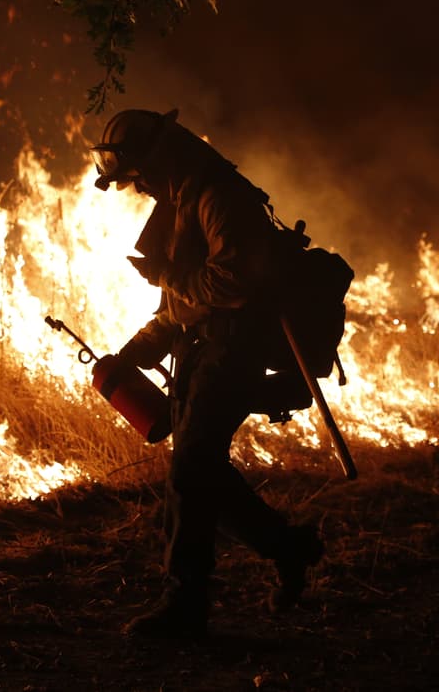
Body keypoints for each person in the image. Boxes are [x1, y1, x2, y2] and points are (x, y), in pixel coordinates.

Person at [90, 107, 324, 639]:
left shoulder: (218, 196)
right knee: (200, 473)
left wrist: (169, 276)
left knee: (192, 468)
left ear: (158, 156)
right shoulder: (180, 197)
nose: (140, 188)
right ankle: (290, 548)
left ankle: (186, 605)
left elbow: (231, 285)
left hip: (235, 348)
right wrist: (140, 347)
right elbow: (180, 299)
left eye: (139, 175)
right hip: (202, 347)